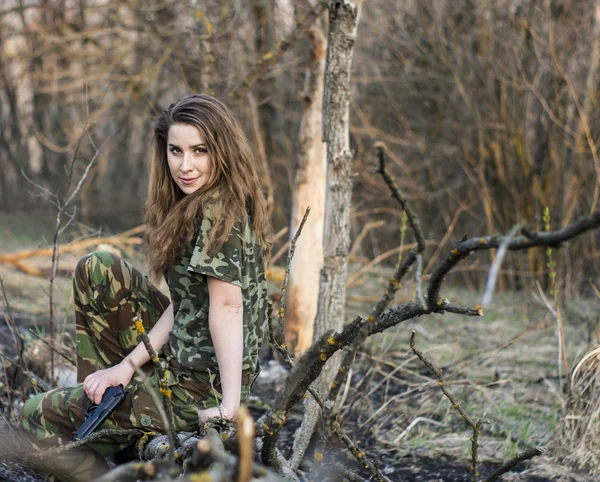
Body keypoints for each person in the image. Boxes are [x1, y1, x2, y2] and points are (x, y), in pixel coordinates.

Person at [18, 94, 272, 482]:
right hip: (184, 363)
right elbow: (186, 305)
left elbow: (228, 308)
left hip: (199, 389)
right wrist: (126, 365)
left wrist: (230, 406)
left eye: (199, 151)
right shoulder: (201, 202)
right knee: (99, 266)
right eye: (176, 150)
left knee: (32, 414)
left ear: (221, 151)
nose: (185, 165)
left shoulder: (218, 208)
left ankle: (101, 452)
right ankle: (102, 404)